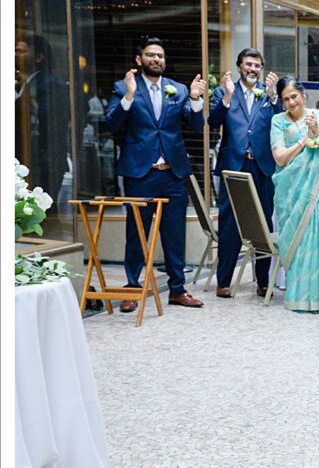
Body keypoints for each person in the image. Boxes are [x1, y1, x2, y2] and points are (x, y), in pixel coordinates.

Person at [104, 37, 206, 311]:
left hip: (173, 174)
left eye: (160, 55)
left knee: (174, 234)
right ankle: (132, 288)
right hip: (140, 174)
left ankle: (177, 289)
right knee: (137, 233)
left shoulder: (179, 89)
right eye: (150, 55)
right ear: (139, 60)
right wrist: (127, 96)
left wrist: (195, 100)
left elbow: (196, 126)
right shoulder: (123, 87)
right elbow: (112, 124)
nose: (156, 59)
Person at [208, 49, 281, 298]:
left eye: (257, 65)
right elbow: (213, 121)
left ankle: (263, 281)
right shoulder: (225, 91)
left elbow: (282, 120)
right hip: (233, 166)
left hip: (262, 167)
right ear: (239, 66)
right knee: (229, 224)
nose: (253, 69)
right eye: (248, 64)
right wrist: (227, 96)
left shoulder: (269, 95)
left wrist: (272, 98)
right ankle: (224, 281)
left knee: (262, 223)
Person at [269, 76, 319, 312]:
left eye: (294, 97)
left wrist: (317, 133)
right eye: (286, 99)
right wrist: (304, 140)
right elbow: (279, 157)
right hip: (291, 191)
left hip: (316, 191)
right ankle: (299, 296)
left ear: (303, 95)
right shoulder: (278, 121)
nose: (291, 102)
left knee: (317, 237)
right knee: (298, 240)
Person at [15, 36, 70, 206]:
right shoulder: (24, 83)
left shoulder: (50, 84)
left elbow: (47, 122)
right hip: (28, 158)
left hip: (43, 160)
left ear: (39, 57)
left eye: (21, 51)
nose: (15, 55)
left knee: (40, 213)